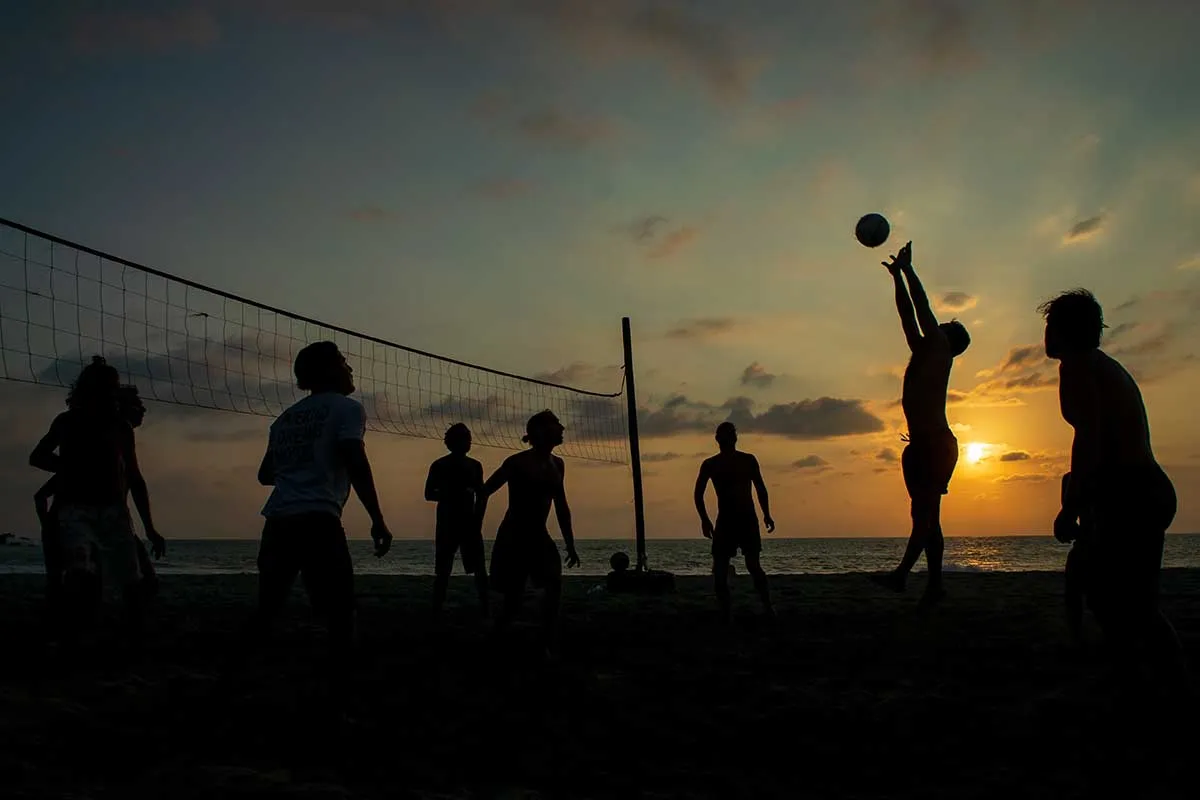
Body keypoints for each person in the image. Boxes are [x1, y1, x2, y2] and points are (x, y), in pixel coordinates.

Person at [1040, 289, 1182, 678]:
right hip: (1137, 492)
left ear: (1067, 330)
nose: (1046, 334)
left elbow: (1091, 439)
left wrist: (1070, 508)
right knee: (1114, 597)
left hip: (1133, 495)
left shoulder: (1080, 367)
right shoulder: (1097, 365)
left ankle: (1162, 680)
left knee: (1125, 605)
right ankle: (1145, 674)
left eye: (1051, 325)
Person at [252, 341, 393, 683]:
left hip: (277, 521)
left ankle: (247, 676)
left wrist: (301, 464)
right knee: (340, 611)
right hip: (317, 519)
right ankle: (338, 686)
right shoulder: (347, 409)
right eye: (345, 363)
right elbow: (355, 460)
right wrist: (377, 519)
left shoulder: (283, 420)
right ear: (330, 369)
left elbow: (265, 474)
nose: (350, 369)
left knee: (269, 606)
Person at [29, 357, 165, 643]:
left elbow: (136, 479)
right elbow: (37, 457)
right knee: (82, 578)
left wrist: (150, 528)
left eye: (113, 388)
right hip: (75, 511)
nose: (110, 394)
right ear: (88, 391)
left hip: (114, 512)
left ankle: (131, 639)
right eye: (105, 388)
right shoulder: (67, 422)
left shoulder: (120, 427)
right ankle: (78, 636)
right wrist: (68, 467)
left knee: (134, 583)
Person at [870, 242, 970, 606]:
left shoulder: (941, 348)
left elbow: (923, 308)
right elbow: (907, 315)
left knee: (924, 516)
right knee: (929, 518)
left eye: (943, 326)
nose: (936, 326)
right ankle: (935, 585)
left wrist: (910, 271)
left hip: (934, 445)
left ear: (948, 337)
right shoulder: (924, 350)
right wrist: (896, 278)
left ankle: (900, 577)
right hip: (923, 445)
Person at [476, 410, 579, 653]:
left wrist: (570, 544)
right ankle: (495, 642)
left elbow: (561, 505)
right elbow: (485, 490)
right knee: (513, 600)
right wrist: (475, 525)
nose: (561, 428)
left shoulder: (558, 464)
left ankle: (546, 642)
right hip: (514, 535)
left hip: (539, 535)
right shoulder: (517, 463)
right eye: (555, 425)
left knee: (553, 585)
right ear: (539, 432)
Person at [694, 422, 776, 622]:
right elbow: (698, 493)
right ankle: (730, 613)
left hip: (745, 519)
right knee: (723, 569)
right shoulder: (711, 464)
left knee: (750, 565)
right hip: (729, 520)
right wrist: (704, 519)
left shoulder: (746, 460)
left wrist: (766, 514)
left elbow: (760, 488)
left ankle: (766, 608)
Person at [425, 422, 489, 617]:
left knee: (478, 567)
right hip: (447, 521)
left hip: (468, 522)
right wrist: (451, 494)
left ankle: (485, 607)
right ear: (452, 442)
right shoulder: (439, 465)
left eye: (468, 439)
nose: (468, 443)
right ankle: (437, 608)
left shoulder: (475, 466)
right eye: (464, 439)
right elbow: (428, 494)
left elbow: (482, 494)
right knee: (444, 568)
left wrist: (478, 517)